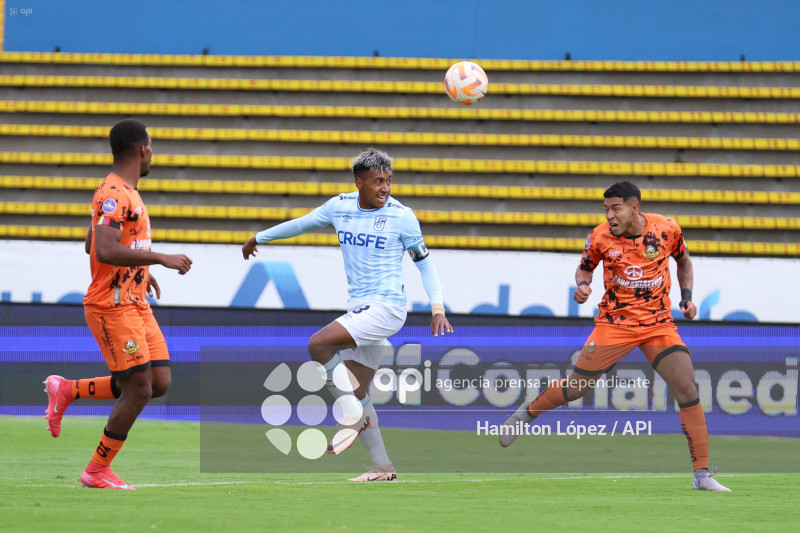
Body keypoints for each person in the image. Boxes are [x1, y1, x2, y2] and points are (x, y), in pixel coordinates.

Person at [499, 181, 730, 492]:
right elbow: (584, 268)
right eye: (606, 209)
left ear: (635, 208)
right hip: (614, 324)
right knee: (577, 388)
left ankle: (701, 475)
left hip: (657, 324)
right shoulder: (599, 236)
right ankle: (527, 413)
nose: (609, 215)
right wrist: (582, 286)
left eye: (615, 208)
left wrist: (686, 297)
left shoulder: (667, 229)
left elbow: (684, 261)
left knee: (688, 388)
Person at [242, 147, 453, 482]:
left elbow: (425, 265)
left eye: (388, 181)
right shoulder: (340, 207)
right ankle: (382, 467)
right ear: (359, 182)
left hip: (388, 308)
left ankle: (353, 416)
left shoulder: (402, 217)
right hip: (361, 310)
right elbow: (301, 224)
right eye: (377, 181)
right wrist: (258, 237)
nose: (385, 187)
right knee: (356, 390)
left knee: (318, 345)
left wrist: (437, 307)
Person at [44, 119, 193, 490]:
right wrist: (158, 258)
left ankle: (68, 390)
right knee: (138, 389)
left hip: (135, 300)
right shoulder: (113, 193)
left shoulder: (126, 191)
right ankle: (96, 470)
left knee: (158, 382)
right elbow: (103, 248)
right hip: (112, 306)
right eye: (152, 146)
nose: (152, 152)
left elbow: (93, 242)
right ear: (142, 149)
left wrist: (140, 269)